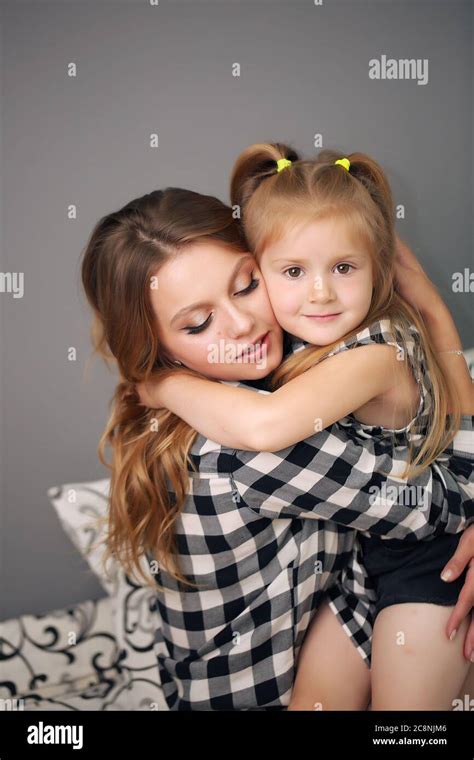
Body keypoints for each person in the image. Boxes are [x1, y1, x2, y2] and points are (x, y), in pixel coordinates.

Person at [81, 186, 474, 711]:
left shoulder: (261, 378)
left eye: (246, 285)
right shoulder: (243, 448)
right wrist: (436, 313)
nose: (240, 324)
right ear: (156, 348)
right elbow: (444, 503)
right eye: (197, 324)